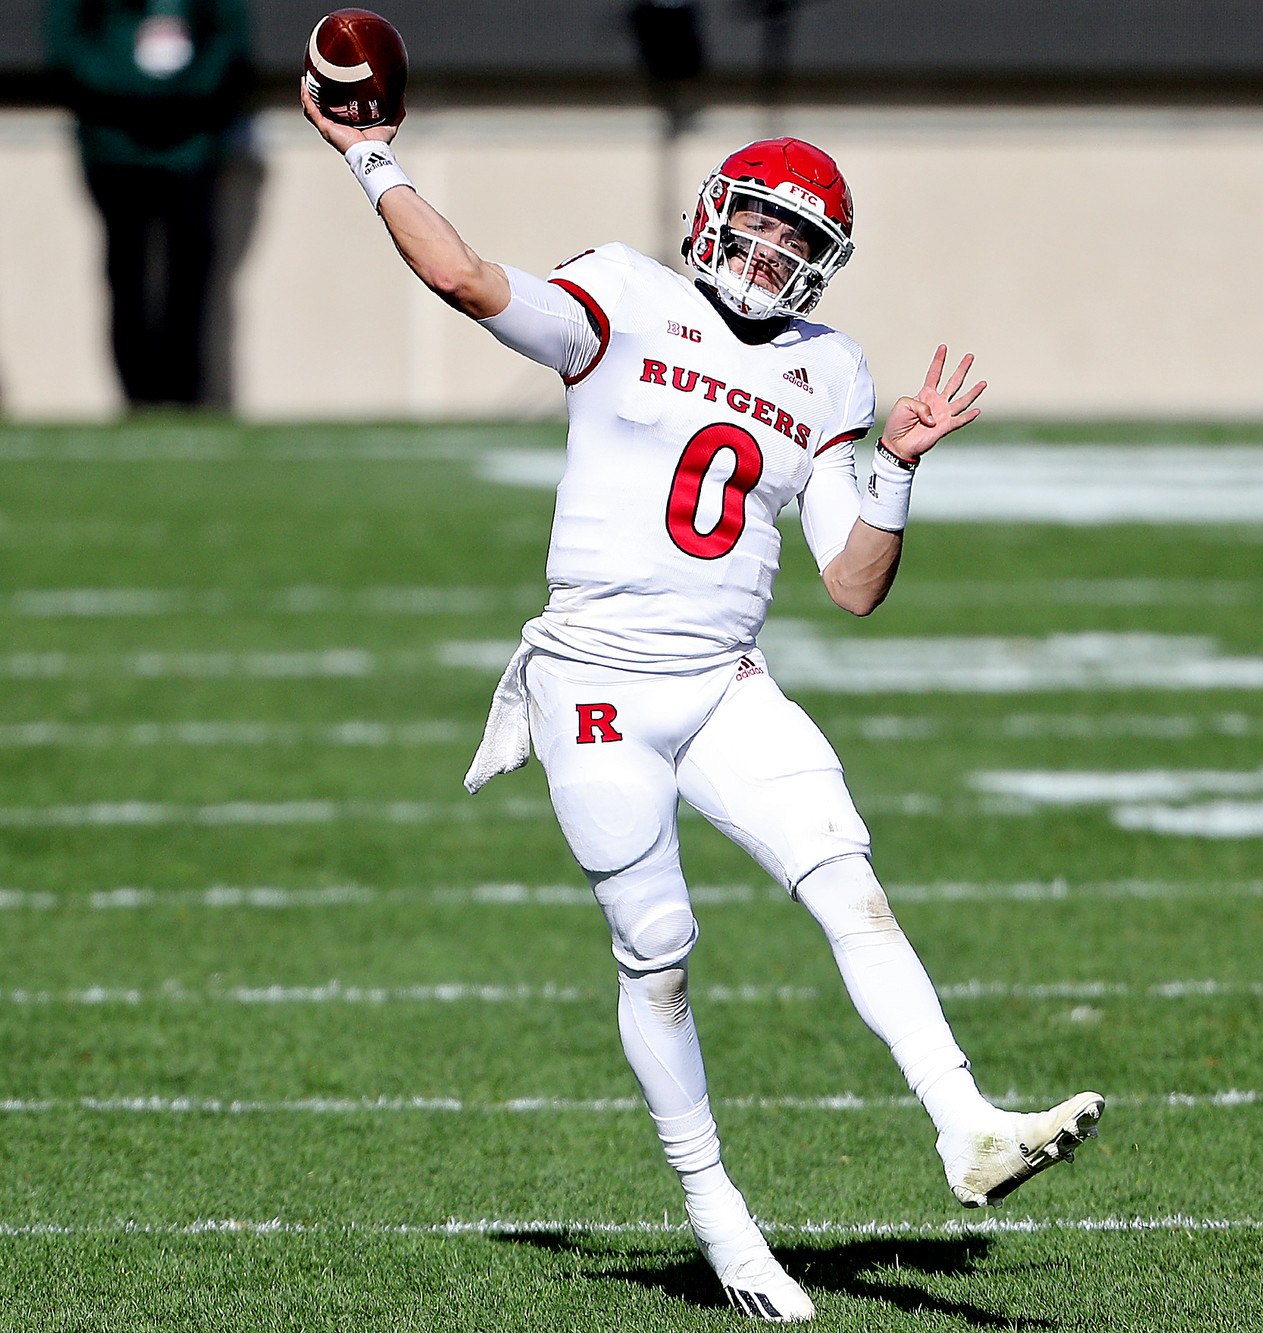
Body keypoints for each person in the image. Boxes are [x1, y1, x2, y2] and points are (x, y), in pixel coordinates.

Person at [303, 93, 1103, 1322]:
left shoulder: (827, 366)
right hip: (596, 679)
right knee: (660, 949)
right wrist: (369, 156)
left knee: (847, 877)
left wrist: (894, 468)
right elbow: (465, 281)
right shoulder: (623, 289)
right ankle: (720, 1225)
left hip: (727, 678)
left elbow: (850, 585)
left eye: (798, 245)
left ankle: (967, 1125)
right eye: (760, 227)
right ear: (710, 216)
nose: (771, 256)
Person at [47, 0, 252, 408]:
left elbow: (229, 37)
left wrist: (184, 92)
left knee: (190, 272)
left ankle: (185, 392)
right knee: (126, 271)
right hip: (115, 146)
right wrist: (129, 91)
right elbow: (67, 38)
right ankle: (138, 394)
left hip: (190, 145)